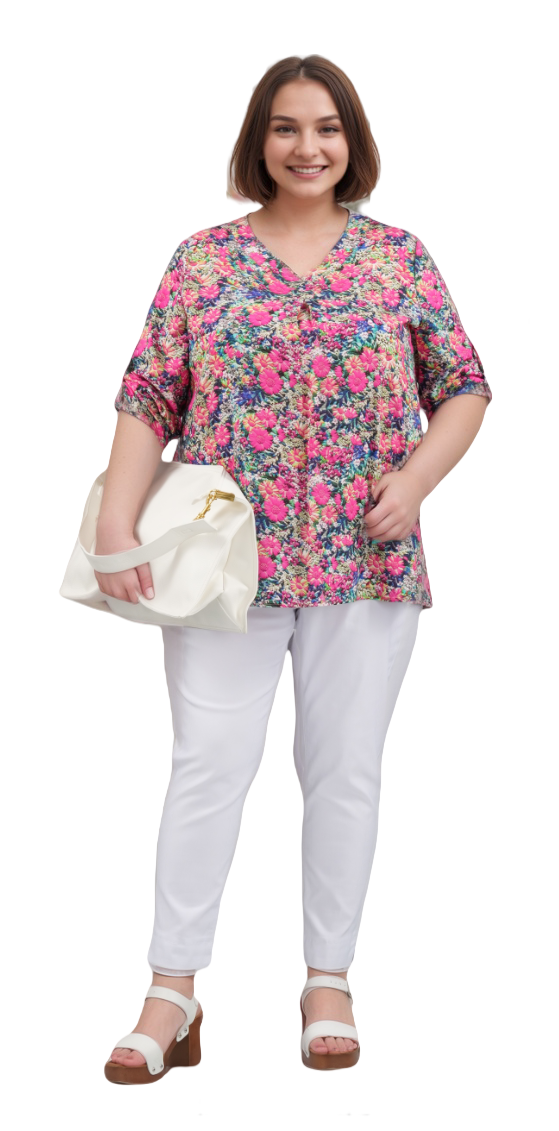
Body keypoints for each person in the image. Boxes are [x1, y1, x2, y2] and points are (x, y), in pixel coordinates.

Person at [99, 54, 493, 1081]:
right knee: (206, 766)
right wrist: (116, 523)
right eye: (285, 127)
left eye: (326, 127)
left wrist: (416, 481)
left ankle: (329, 980)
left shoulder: (399, 258)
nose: (306, 146)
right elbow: (150, 394)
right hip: (221, 559)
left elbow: (463, 385)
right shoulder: (203, 261)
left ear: (351, 141)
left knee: (344, 771)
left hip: (365, 556)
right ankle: (172, 989)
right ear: (258, 140)